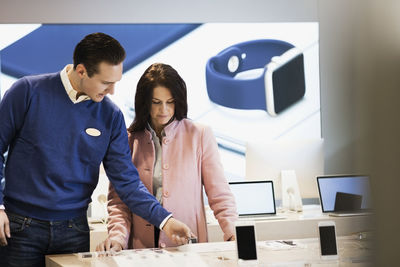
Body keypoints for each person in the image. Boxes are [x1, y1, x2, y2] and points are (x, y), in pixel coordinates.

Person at [0, 33, 191, 267]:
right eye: (105, 82)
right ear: (81, 71)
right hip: (19, 228)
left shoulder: (111, 116)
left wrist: (166, 221)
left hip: (74, 231)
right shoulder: (27, 92)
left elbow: (127, 182)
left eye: (115, 82)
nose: (111, 91)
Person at [96, 63, 237, 251]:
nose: (164, 109)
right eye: (156, 102)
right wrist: (117, 238)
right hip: (141, 249)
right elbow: (119, 202)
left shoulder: (200, 135)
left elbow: (220, 195)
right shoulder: (128, 139)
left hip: (187, 245)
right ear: (145, 102)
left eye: (170, 102)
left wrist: (234, 233)